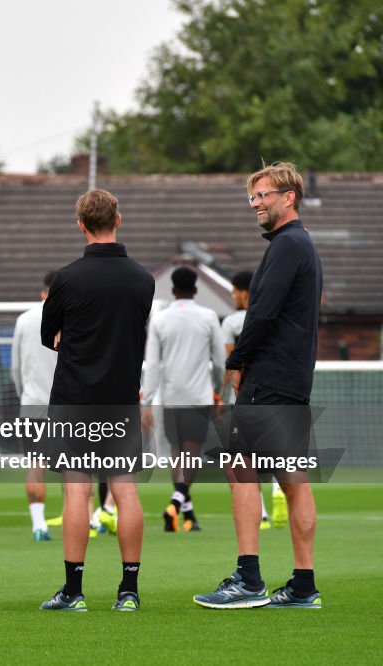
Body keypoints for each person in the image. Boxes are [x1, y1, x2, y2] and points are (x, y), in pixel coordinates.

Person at [194, 162, 323, 609]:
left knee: (240, 469)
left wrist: (235, 359)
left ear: (289, 197)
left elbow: (262, 314)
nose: (256, 204)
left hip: (267, 379)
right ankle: (304, 585)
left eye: (263, 195)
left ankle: (248, 579)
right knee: (293, 478)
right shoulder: (299, 244)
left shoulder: (288, 246)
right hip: (291, 379)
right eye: (252, 197)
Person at [39, 189, 154, 612]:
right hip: (121, 397)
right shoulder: (144, 278)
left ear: (81, 225)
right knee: (125, 492)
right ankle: (129, 591)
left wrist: (70, 340)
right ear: (118, 220)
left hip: (74, 397)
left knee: (76, 492)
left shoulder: (67, 279)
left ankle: (73, 591)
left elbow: (47, 335)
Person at [141, 266, 225, 533]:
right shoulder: (209, 316)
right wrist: (218, 390)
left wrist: (148, 399)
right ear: (196, 289)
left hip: (170, 397)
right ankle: (177, 503)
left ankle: (186, 514)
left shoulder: (160, 320)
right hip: (198, 395)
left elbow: (153, 365)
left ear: (173, 290)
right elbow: (220, 360)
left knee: (178, 453)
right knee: (192, 453)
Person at [221, 270, 280, 531]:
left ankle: (262, 514)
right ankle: (278, 489)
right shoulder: (272, 318)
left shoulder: (233, 322)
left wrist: (221, 394)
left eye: (234, 291)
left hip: (243, 395)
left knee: (240, 461)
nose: (233, 296)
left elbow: (230, 362)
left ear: (244, 291)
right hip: (271, 390)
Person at [10, 271, 58, 542]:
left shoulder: (25, 319)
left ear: (43, 292)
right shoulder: (73, 317)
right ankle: (82, 521)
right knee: (75, 468)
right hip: (67, 402)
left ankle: (39, 525)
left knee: (36, 465)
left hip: (32, 402)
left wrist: (23, 395)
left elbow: (16, 366)